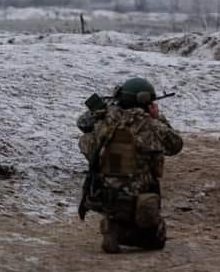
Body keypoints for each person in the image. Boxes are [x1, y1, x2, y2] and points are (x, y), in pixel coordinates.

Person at [76, 77, 183, 253]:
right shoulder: (150, 125)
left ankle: (113, 226)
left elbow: (82, 124)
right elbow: (176, 145)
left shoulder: (105, 120)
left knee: (87, 141)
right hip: (140, 198)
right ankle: (123, 232)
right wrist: (158, 118)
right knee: (155, 241)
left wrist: (103, 108)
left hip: (103, 194)